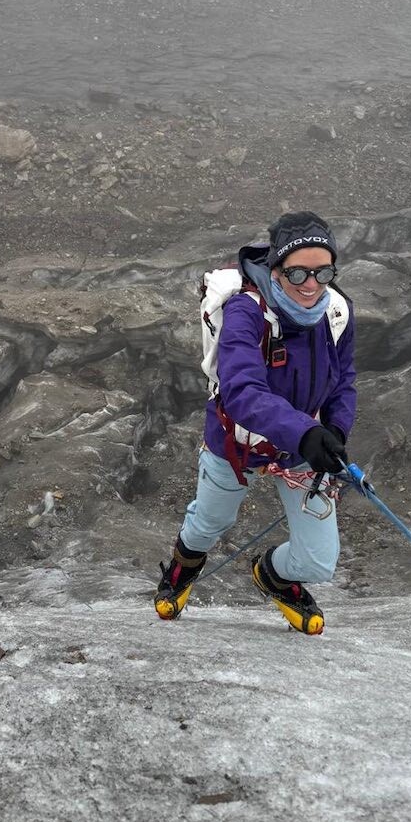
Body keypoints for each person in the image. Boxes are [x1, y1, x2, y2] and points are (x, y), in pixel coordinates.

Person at [154, 211, 357, 634]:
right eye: (297, 272)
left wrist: (335, 429)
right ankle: (182, 569)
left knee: (319, 561)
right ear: (276, 270)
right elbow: (242, 390)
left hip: (306, 442)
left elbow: (344, 378)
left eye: (323, 272)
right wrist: (307, 433)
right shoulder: (247, 311)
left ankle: (273, 575)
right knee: (210, 522)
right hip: (238, 439)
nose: (310, 284)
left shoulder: (335, 311)